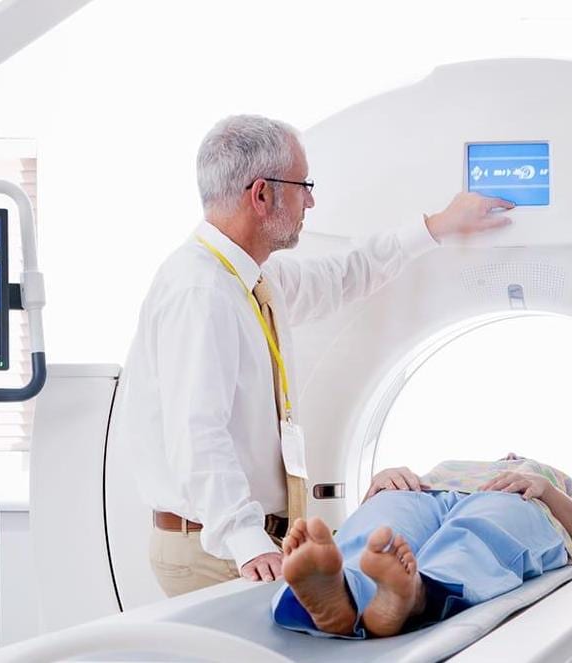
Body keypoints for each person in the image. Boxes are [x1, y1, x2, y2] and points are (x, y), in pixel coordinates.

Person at [112, 114, 514, 597]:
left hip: (249, 540)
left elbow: (347, 275)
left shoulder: (256, 280)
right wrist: (247, 541)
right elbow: (196, 433)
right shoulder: (200, 291)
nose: (311, 200)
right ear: (261, 195)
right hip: (217, 549)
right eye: (303, 185)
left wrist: (437, 226)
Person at [270, 454, 572, 638]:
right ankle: (341, 591)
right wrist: (384, 480)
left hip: (512, 500)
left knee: (477, 531)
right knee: (384, 515)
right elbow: (389, 495)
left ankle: (410, 594)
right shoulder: (449, 464)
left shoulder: (545, 480)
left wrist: (544, 488)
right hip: (427, 492)